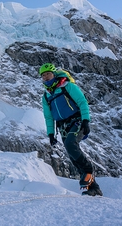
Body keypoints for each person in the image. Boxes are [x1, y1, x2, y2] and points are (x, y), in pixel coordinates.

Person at [39, 63, 103, 196]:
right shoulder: (46, 96)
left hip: (77, 120)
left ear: (54, 74)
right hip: (63, 127)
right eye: (43, 75)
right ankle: (93, 188)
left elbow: (82, 101)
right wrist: (51, 134)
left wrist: (86, 120)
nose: (46, 77)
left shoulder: (67, 86)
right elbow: (48, 117)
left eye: (48, 74)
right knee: (72, 155)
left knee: (70, 144)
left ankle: (89, 169)